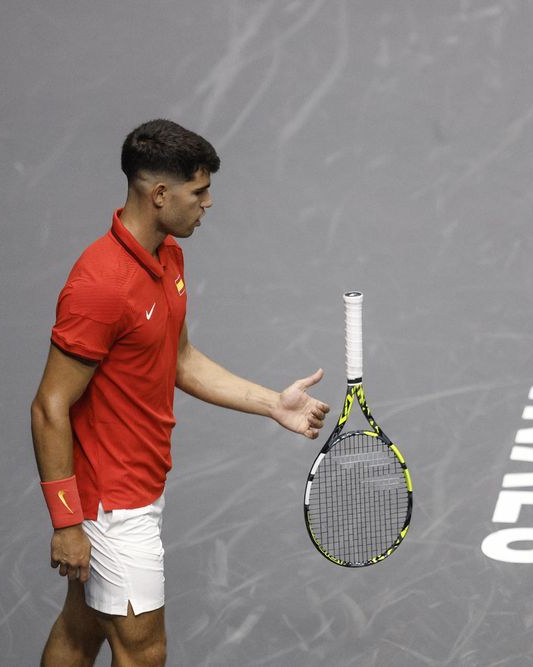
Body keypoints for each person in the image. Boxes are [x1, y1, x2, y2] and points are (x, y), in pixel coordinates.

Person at [30, 119, 330, 666]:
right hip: (111, 503)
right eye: (199, 191)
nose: (208, 203)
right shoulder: (101, 286)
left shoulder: (167, 256)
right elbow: (50, 405)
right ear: (160, 195)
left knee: (80, 629)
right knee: (144, 653)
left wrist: (272, 403)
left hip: (139, 483)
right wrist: (68, 521)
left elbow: (180, 357)